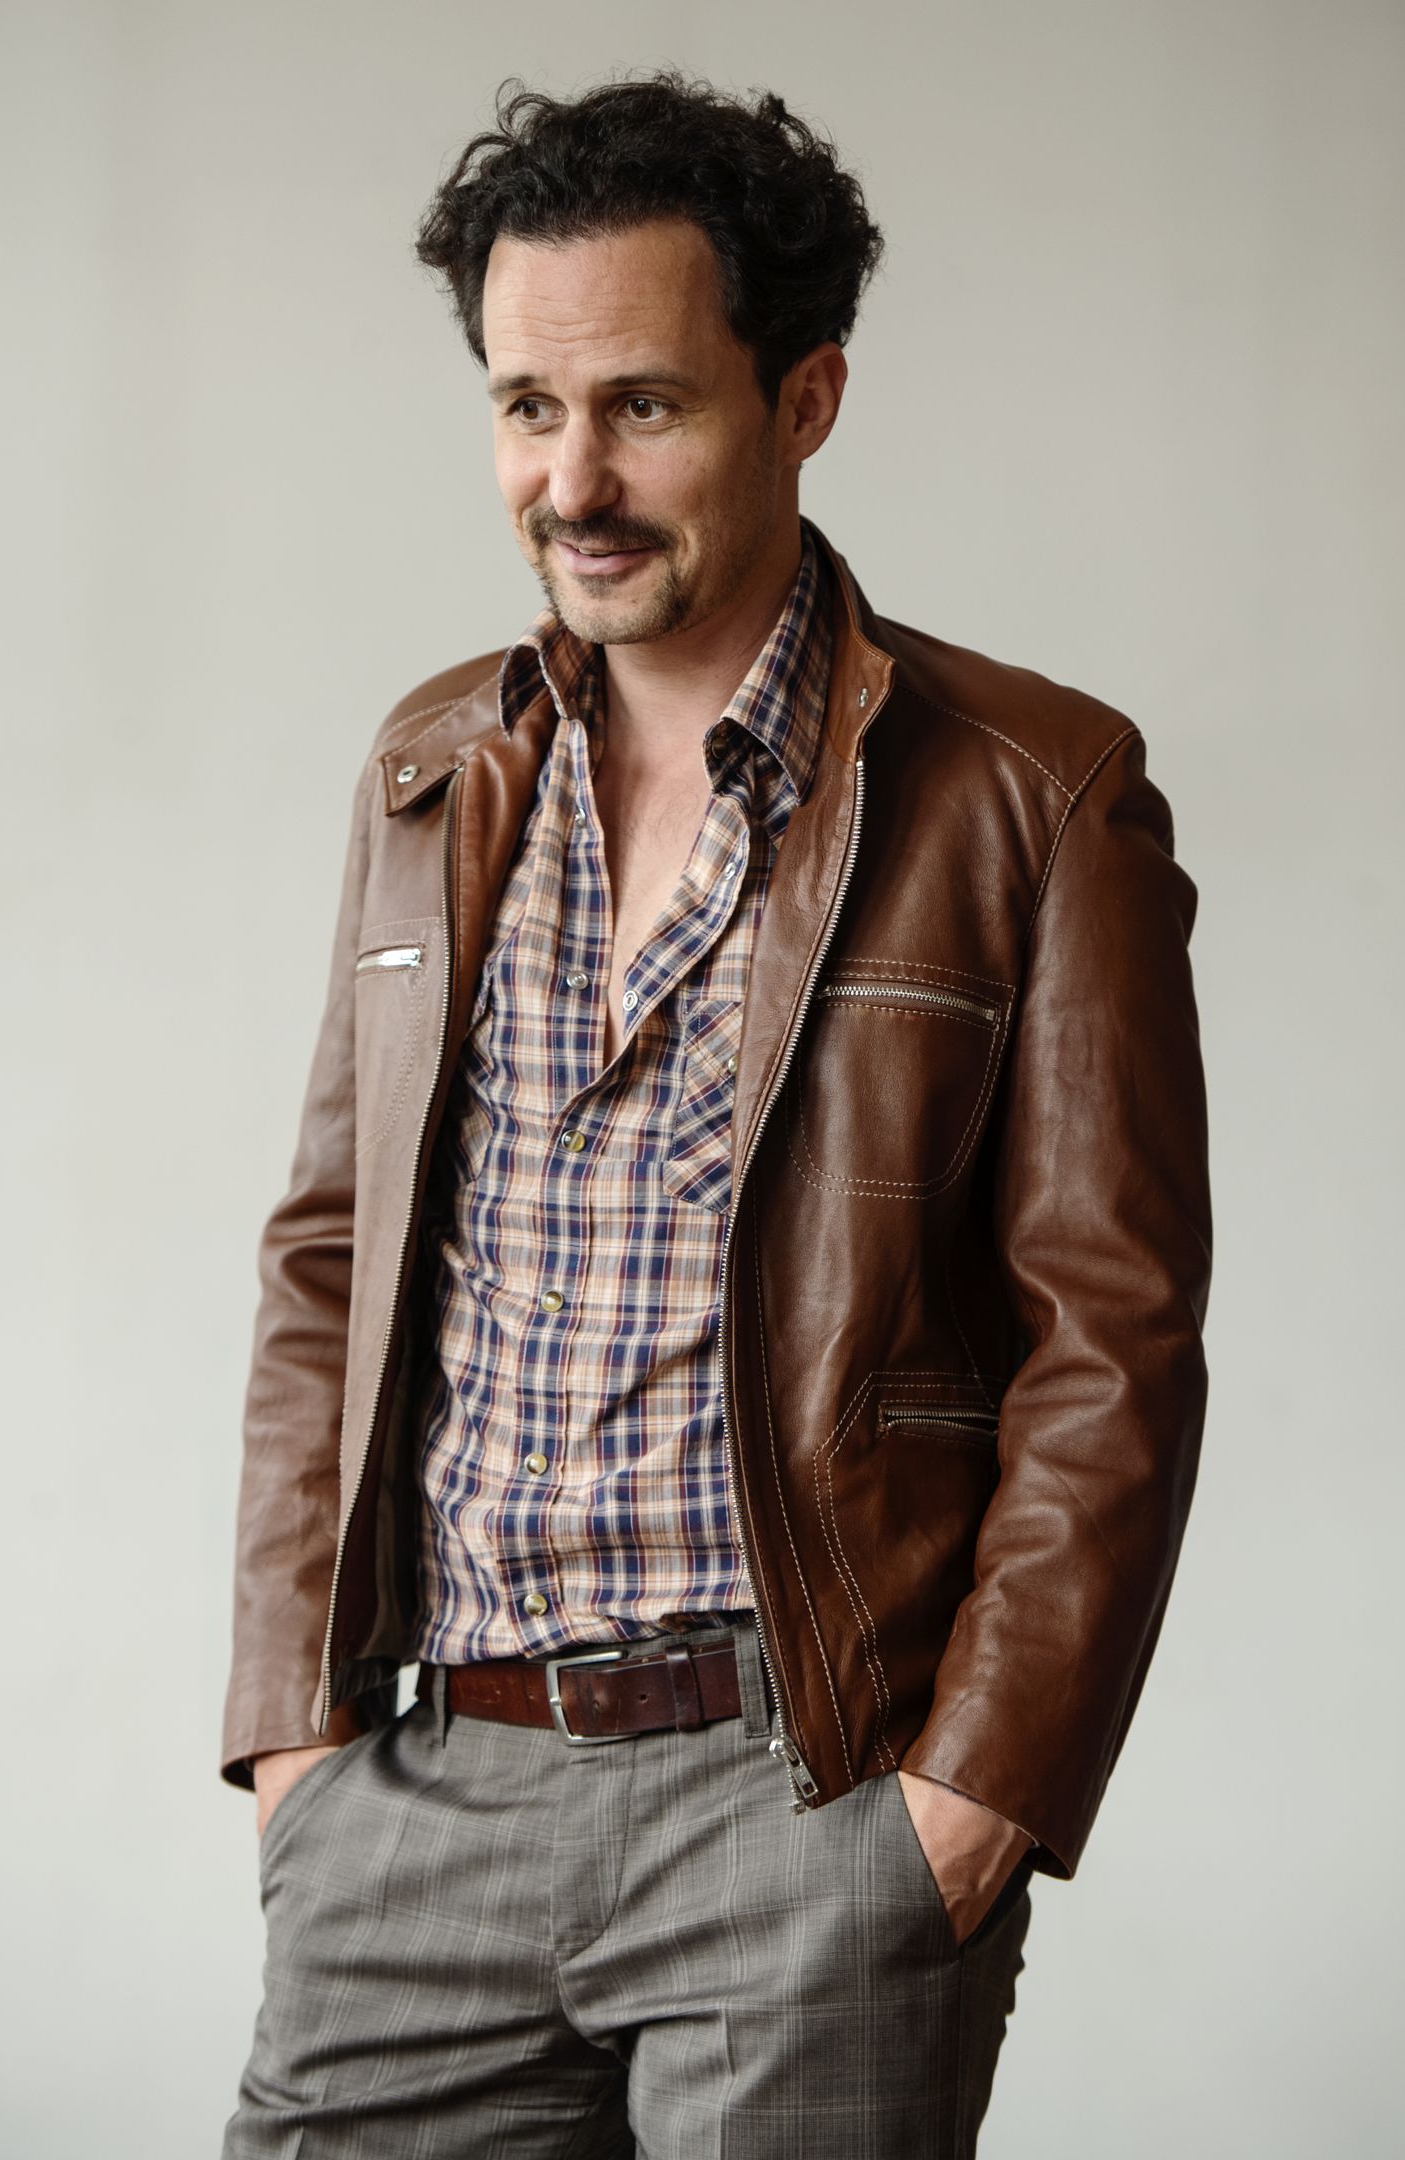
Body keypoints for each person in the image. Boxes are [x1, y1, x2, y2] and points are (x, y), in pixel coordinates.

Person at [219, 71, 1211, 2159]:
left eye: (644, 406)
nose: (571, 479)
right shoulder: (434, 768)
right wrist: (293, 1742)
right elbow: (329, 1259)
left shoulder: (1035, 795)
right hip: (421, 1804)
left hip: (807, 1805)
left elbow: (1110, 1338)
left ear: (805, 397)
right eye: (526, 407)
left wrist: (975, 1793)